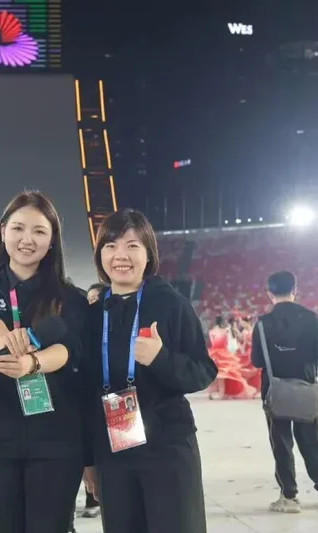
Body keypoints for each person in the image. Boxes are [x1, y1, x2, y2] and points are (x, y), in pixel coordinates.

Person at [0, 191, 89, 533]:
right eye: (18, 228)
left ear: (52, 239)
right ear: (3, 231)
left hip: (55, 440)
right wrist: (7, 341)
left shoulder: (71, 298)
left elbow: (69, 348)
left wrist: (32, 364)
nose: (27, 239)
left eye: (39, 231)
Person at [81, 209, 217, 533]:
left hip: (167, 447)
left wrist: (160, 358)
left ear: (148, 253)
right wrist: (89, 460)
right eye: (111, 246)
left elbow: (203, 370)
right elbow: (85, 392)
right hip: (114, 450)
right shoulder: (93, 314)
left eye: (132, 246)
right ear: (100, 255)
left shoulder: (170, 304)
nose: (121, 255)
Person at [250, 270, 318, 513]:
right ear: (295, 290)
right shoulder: (311, 318)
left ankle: (288, 496)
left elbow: (257, 360)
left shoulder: (262, 324)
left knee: (281, 443)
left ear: (269, 293)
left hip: (274, 390)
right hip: (304, 387)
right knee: (311, 441)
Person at [206, 316, 256, 400]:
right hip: (224, 353)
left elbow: (212, 342)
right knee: (224, 375)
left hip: (214, 353)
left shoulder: (211, 331)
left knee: (215, 375)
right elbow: (229, 342)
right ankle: (222, 393)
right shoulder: (225, 331)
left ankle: (212, 393)